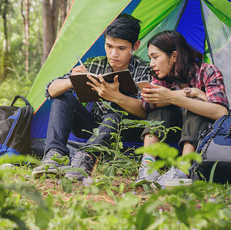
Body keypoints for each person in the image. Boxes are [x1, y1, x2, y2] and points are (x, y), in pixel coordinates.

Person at [32, 13, 152, 181]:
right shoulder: (95, 64)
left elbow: (147, 112)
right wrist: (71, 81)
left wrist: (116, 97)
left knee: (116, 109)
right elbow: (50, 91)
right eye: (109, 46)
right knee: (62, 97)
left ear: (136, 46)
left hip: (127, 131)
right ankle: (55, 156)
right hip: (94, 128)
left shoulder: (144, 70)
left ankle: (86, 158)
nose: (113, 54)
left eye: (121, 48)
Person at [137, 30, 229, 187]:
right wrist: (189, 92)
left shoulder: (208, 71)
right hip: (171, 135)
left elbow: (222, 112)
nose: (151, 63)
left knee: (194, 103)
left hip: (201, 136)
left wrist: (176, 97)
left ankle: (184, 170)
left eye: (155, 57)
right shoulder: (160, 76)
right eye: (150, 58)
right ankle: (148, 165)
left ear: (173, 56)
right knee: (159, 101)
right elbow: (146, 105)